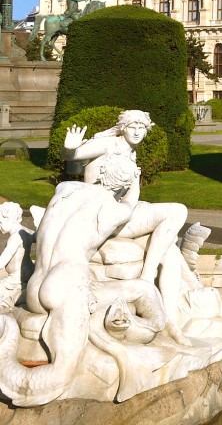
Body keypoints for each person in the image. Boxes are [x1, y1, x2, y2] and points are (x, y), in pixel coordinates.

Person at [62, 110, 190, 344]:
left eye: (142, 128)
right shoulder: (108, 144)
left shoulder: (130, 151)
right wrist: (69, 148)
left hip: (123, 211)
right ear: (123, 127)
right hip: (104, 217)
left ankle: (170, 320)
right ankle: (147, 279)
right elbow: (73, 156)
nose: (138, 132)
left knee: (170, 250)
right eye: (133, 127)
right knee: (176, 213)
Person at [0, 202, 34, 310]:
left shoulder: (15, 238)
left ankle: (13, 298)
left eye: (0, 222)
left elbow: (3, 260)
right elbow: (38, 236)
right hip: (28, 273)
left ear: (10, 219)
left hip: (15, 279)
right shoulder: (26, 231)